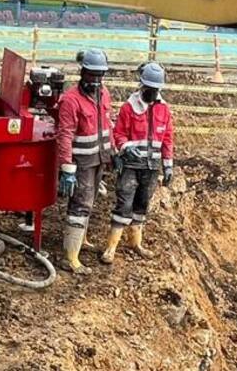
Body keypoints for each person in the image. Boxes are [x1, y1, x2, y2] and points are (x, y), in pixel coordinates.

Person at [102, 62, 175, 263]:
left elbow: (167, 137)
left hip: (152, 166)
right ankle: (111, 248)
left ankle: (135, 243)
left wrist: (167, 165)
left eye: (156, 89)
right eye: (149, 89)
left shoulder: (163, 109)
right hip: (131, 166)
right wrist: (125, 147)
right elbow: (118, 134)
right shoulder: (129, 108)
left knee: (142, 203)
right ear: (142, 86)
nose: (153, 93)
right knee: (124, 202)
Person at [54, 48, 113, 274]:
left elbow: (107, 124)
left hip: (99, 158)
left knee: (90, 201)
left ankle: (81, 241)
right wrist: (67, 168)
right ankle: (70, 257)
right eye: (92, 75)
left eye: (100, 76)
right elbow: (65, 134)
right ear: (83, 72)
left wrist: (113, 152)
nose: (96, 80)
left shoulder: (104, 94)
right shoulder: (71, 100)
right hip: (82, 162)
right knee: (80, 204)